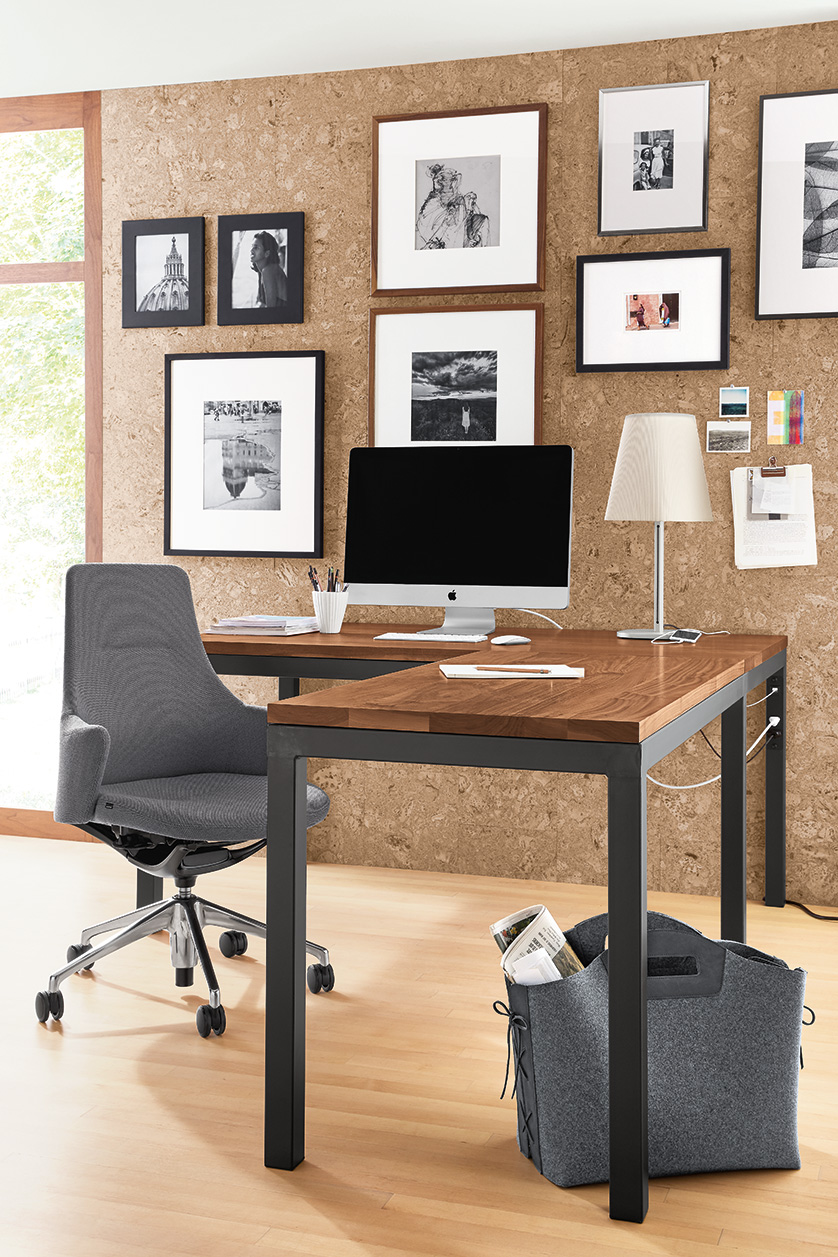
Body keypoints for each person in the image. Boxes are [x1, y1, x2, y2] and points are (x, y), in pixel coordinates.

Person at [416, 163, 490, 250]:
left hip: (458, 237)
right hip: (443, 240)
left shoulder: (460, 201)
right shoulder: (433, 205)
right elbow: (426, 226)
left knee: (481, 220)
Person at [250, 231, 287, 307]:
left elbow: (270, 310)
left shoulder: (268, 270)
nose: (251, 250)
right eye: (252, 246)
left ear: (267, 253)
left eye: (256, 247)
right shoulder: (263, 270)